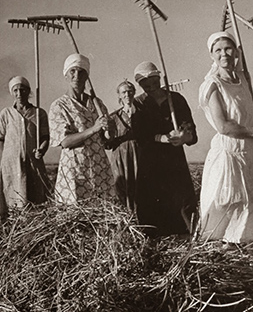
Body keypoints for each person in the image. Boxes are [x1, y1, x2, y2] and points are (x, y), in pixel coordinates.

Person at [198, 31, 253, 244]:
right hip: (228, 152)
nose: (224, 54)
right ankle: (223, 249)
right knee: (227, 202)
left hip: (251, 152)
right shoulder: (211, 85)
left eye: (228, 49)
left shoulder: (244, 80)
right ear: (211, 55)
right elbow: (225, 126)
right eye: (218, 50)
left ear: (236, 51)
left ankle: (247, 248)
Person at [133, 61, 198, 237]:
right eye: (146, 86)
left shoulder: (176, 100)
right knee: (151, 205)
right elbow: (138, 136)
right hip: (150, 162)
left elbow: (192, 134)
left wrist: (185, 137)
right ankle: (154, 244)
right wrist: (161, 138)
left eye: (154, 83)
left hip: (174, 161)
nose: (151, 88)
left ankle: (189, 241)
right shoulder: (138, 103)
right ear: (140, 85)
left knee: (182, 203)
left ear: (160, 78)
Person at [49, 54, 114, 204]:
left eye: (81, 72)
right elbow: (65, 142)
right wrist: (94, 128)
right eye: (73, 71)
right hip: (75, 171)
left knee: (101, 217)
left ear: (87, 76)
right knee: (76, 220)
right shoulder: (59, 106)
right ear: (66, 75)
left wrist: (109, 130)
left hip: (99, 171)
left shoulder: (97, 103)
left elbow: (107, 141)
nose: (77, 76)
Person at [0, 76, 50, 212]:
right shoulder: (6, 114)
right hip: (11, 165)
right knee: (13, 198)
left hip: (33, 162)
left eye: (22, 90)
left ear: (28, 92)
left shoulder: (39, 113)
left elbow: (46, 137)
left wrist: (42, 149)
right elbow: (1, 139)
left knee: (36, 200)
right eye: (15, 90)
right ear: (12, 93)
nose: (19, 93)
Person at [106, 80, 140, 211]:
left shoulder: (142, 113)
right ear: (119, 95)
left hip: (139, 154)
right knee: (122, 187)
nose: (127, 94)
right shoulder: (114, 117)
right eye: (123, 92)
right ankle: (126, 219)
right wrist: (107, 134)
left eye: (130, 91)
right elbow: (107, 144)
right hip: (121, 157)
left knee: (140, 187)